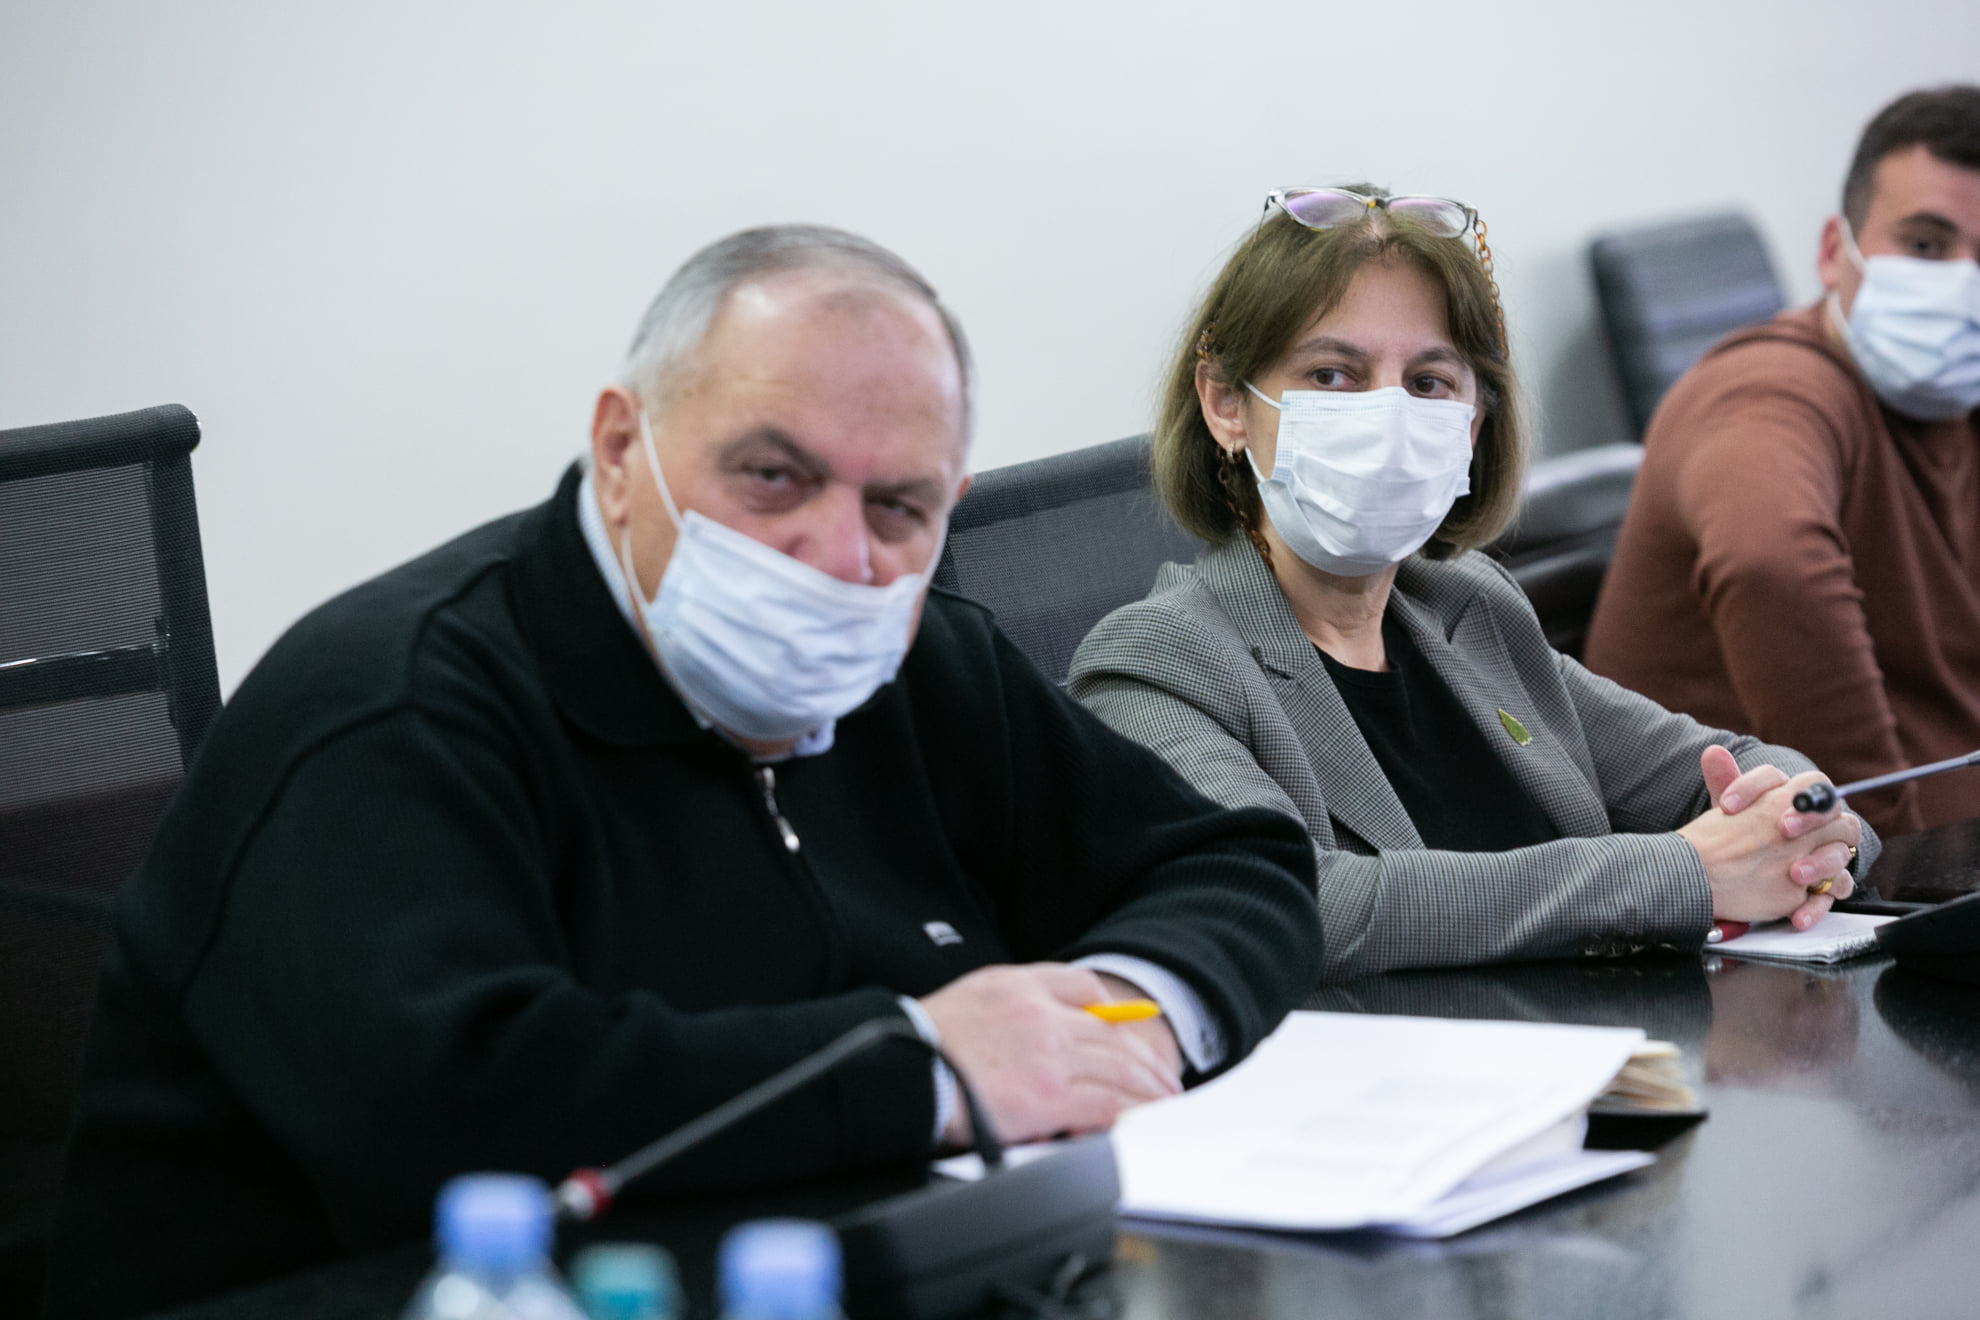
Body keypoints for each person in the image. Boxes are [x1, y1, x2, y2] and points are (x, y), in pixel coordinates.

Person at [46, 226, 1322, 1317]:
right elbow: (441, 1109)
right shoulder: (392, 704)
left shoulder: (927, 661)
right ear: (621, 447)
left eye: (900, 507)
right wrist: (927, 1068)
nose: (840, 556)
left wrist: (1113, 1017)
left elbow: (1233, 862)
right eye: (772, 475)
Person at [1068, 186, 1872, 985]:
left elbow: (1736, 765)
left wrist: (1808, 836)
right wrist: (1687, 874)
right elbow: (1289, 901)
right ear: (1225, 404)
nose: (1388, 416)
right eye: (1333, 375)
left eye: (1428, 383)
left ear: (1472, 425)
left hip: (1624, 1045)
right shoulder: (1157, 662)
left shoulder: (1465, 605)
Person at [1585, 86, 1980, 839]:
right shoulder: (1767, 390)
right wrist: (1898, 859)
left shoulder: (1963, 407)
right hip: (1805, 876)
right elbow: (1770, 564)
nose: (1963, 286)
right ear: (1834, 252)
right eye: (1926, 246)